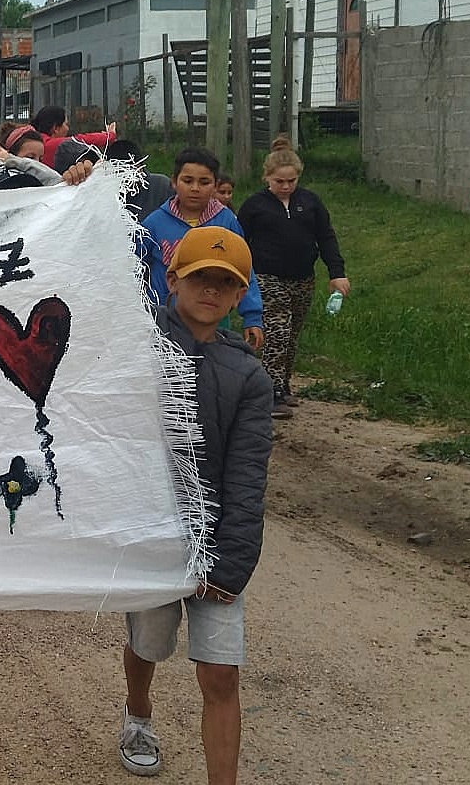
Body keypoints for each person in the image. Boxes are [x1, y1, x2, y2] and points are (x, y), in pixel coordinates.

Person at [119, 225, 273, 784]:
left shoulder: (249, 376)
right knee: (148, 643)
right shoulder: (135, 348)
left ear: (238, 295)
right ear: (172, 278)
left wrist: (231, 563)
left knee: (221, 677)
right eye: (200, 279)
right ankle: (138, 712)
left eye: (224, 284)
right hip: (152, 537)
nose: (210, 292)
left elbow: (247, 476)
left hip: (215, 547)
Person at [236, 137, 348, 418]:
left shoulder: (310, 202)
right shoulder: (255, 205)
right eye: (279, 182)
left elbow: (326, 237)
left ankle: (284, 384)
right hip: (267, 277)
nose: (285, 187)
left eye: (291, 181)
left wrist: (337, 273)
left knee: (293, 333)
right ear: (267, 178)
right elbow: (239, 240)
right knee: (277, 331)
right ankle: (269, 391)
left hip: (302, 278)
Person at [139, 147, 265, 351]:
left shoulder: (226, 222)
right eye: (187, 181)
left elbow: (244, 270)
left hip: (214, 315)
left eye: (204, 182)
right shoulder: (154, 224)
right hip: (164, 317)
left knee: (209, 368)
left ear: (215, 186)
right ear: (174, 182)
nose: (195, 188)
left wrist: (252, 316)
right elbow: (132, 268)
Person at [29, 104, 117, 169]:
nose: (68, 128)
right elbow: (82, 140)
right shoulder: (53, 145)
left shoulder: (28, 141)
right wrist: (110, 135)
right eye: (66, 124)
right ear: (55, 128)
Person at [106, 138, 173, 222]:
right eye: (120, 172)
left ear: (141, 166)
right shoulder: (104, 194)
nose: (127, 178)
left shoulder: (162, 186)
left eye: (131, 169)